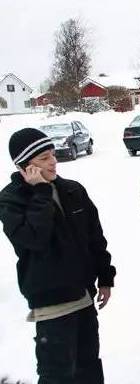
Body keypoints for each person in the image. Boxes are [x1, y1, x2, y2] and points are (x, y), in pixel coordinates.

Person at [0, 128, 116, 383]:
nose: (53, 161)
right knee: (57, 374)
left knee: (89, 367)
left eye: (52, 154)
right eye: (43, 158)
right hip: (51, 304)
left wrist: (105, 277)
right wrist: (41, 193)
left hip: (83, 297)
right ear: (24, 167)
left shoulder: (73, 190)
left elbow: (94, 238)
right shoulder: (11, 200)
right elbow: (33, 239)